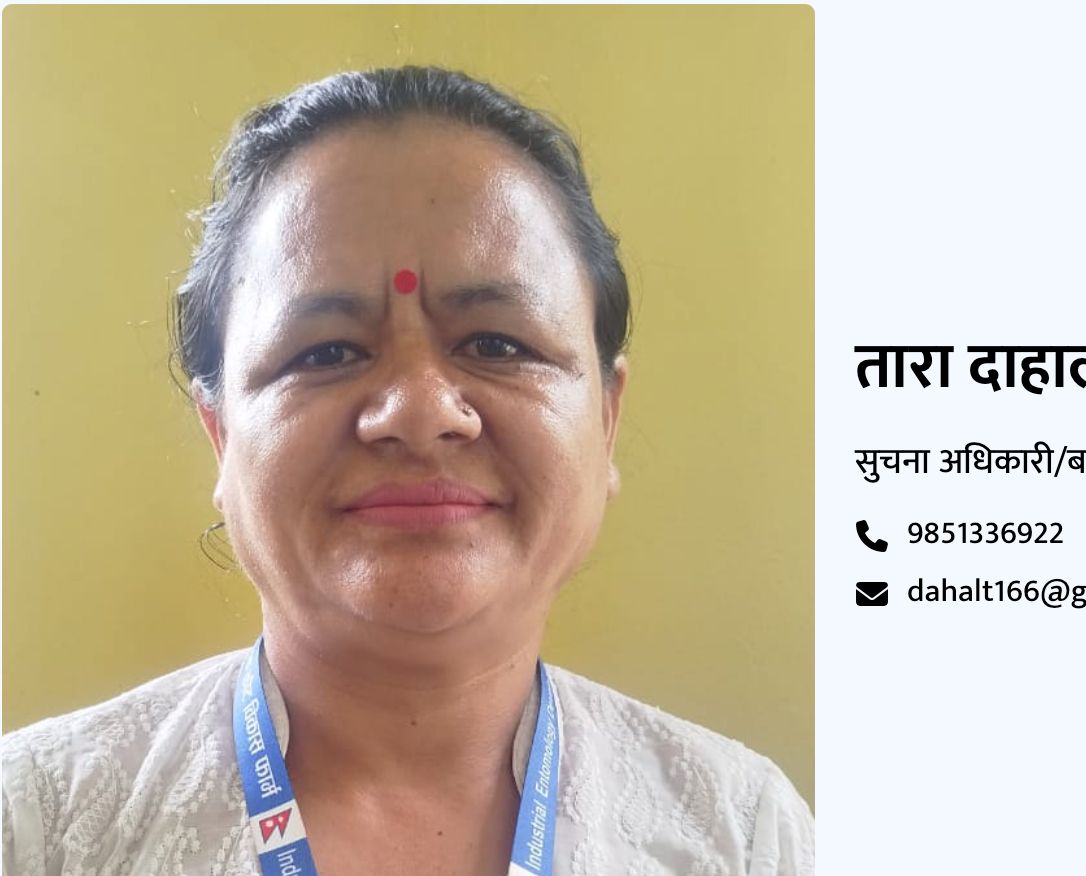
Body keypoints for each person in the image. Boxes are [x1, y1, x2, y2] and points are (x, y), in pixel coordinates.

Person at [1, 65, 813, 875]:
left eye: (496, 343)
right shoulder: (34, 825)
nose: (420, 411)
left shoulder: (742, 834)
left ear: (605, 420)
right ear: (221, 438)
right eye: (326, 352)